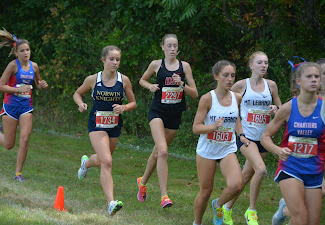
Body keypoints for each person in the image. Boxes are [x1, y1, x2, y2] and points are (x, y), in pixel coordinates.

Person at [136, 34, 198, 208]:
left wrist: (182, 85)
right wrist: (150, 86)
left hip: (174, 114)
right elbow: (142, 80)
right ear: (162, 47)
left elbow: (195, 93)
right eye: (169, 45)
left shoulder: (184, 66)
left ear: (178, 48)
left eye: (175, 46)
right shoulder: (156, 64)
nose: (172, 49)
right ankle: (164, 196)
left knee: (157, 152)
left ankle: (142, 182)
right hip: (157, 112)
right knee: (163, 151)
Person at [74, 45, 137, 216]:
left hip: (114, 126)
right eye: (112, 59)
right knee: (107, 161)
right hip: (97, 125)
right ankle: (111, 203)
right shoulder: (93, 79)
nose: (115, 62)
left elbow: (133, 103)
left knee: (103, 160)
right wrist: (81, 104)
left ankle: (86, 163)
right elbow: (77, 94)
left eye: (118, 59)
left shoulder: (124, 80)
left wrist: (123, 107)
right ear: (103, 60)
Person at [261, 62, 324, 225]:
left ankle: (283, 210)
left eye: (316, 76)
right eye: (309, 76)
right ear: (298, 81)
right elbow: (265, 137)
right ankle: (284, 209)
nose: (314, 80)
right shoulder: (288, 108)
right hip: (290, 168)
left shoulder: (323, 108)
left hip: (315, 170)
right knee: (300, 218)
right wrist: (277, 150)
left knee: (313, 221)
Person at [223, 51, 282, 225]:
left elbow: (280, 106)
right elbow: (229, 108)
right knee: (261, 170)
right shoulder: (241, 86)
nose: (264, 66)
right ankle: (251, 211)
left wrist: (275, 109)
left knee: (246, 176)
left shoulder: (271, 85)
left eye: (266, 62)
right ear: (251, 66)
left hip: (263, 137)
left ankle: (225, 208)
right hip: (246, 137)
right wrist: (238, 132)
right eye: (260, 63)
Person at [0, 28, 48, 181]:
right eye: (22, 51)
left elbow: (37, 83)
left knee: (25, 139)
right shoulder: (13, 66)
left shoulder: (34, 66)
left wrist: (41, 85)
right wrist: (18, 89)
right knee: (9, 145)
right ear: (16, 53)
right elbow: (0, 87)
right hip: (10, 107)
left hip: (26, 107)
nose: (26, 53)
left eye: (27, 50)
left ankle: (18, 173)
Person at [192, 60, 246, 225]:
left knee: (237, 185)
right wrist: (212, 126)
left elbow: (235, 116)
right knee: (206, 192)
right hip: (207, 149)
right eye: (226, 75)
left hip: (227, 148)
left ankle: (219, 204)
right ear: (216, 76)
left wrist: (241, 134)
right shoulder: (207, 99)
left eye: (233, 76)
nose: (230, 79)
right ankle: (197, 222)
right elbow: (196, 128)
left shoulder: (237, 97)